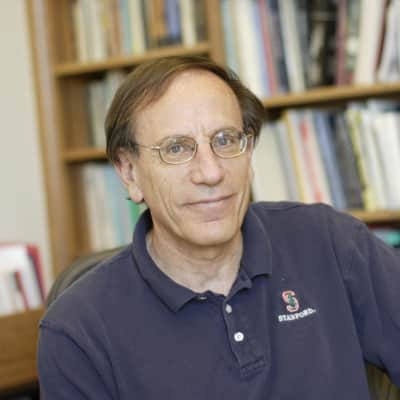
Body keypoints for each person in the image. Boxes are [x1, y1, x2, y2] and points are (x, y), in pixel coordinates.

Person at [38, 56, 400, 399]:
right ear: (129, 173)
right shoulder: (77, 331)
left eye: (225, 140)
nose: (211, 173)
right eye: (176, 148)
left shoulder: (330, 243)